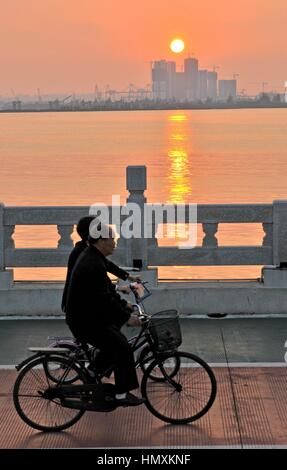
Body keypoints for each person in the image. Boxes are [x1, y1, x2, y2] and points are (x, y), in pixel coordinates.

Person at [65, 221, 144, 407]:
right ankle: (121, 394)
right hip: (84, 321)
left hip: (88, 316)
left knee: (114, 340)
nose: (115, 242)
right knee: (122, 346)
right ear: (101, 240)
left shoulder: (95, 257)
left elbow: (107, 292)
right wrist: (127, 317)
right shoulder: (93, 263)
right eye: (112, 239)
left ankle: (92, 372)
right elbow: (105, 299)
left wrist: (124, 306)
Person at [61, 216, 139, 312]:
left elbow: (107, 265)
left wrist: (128, 276)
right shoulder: (83, 253)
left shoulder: (87, 248)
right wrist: (119, 292)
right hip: (77, 303)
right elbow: (100, 280)